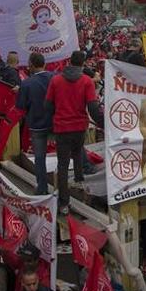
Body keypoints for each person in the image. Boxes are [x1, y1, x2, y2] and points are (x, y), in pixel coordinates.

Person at [45, 50, 102, 215]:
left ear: (70, 61)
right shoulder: (86, 81)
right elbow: (92, 107)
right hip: (79, 127)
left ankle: (64, 203)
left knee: (62, 165)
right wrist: (103, 123)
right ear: (83, 63)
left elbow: (48, 106)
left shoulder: (56, 80)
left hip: (62, 127)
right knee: (78, 153)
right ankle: (78, 181)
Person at [16, 52, 54, 195]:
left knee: (40, 158)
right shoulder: (55, 78)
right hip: (55, 123)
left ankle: (42, 188)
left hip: (37, 125)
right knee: (64, 156)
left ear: (31, 65)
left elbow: (20, 106)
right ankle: (63, 189)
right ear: (44, 64)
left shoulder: (26, 83)